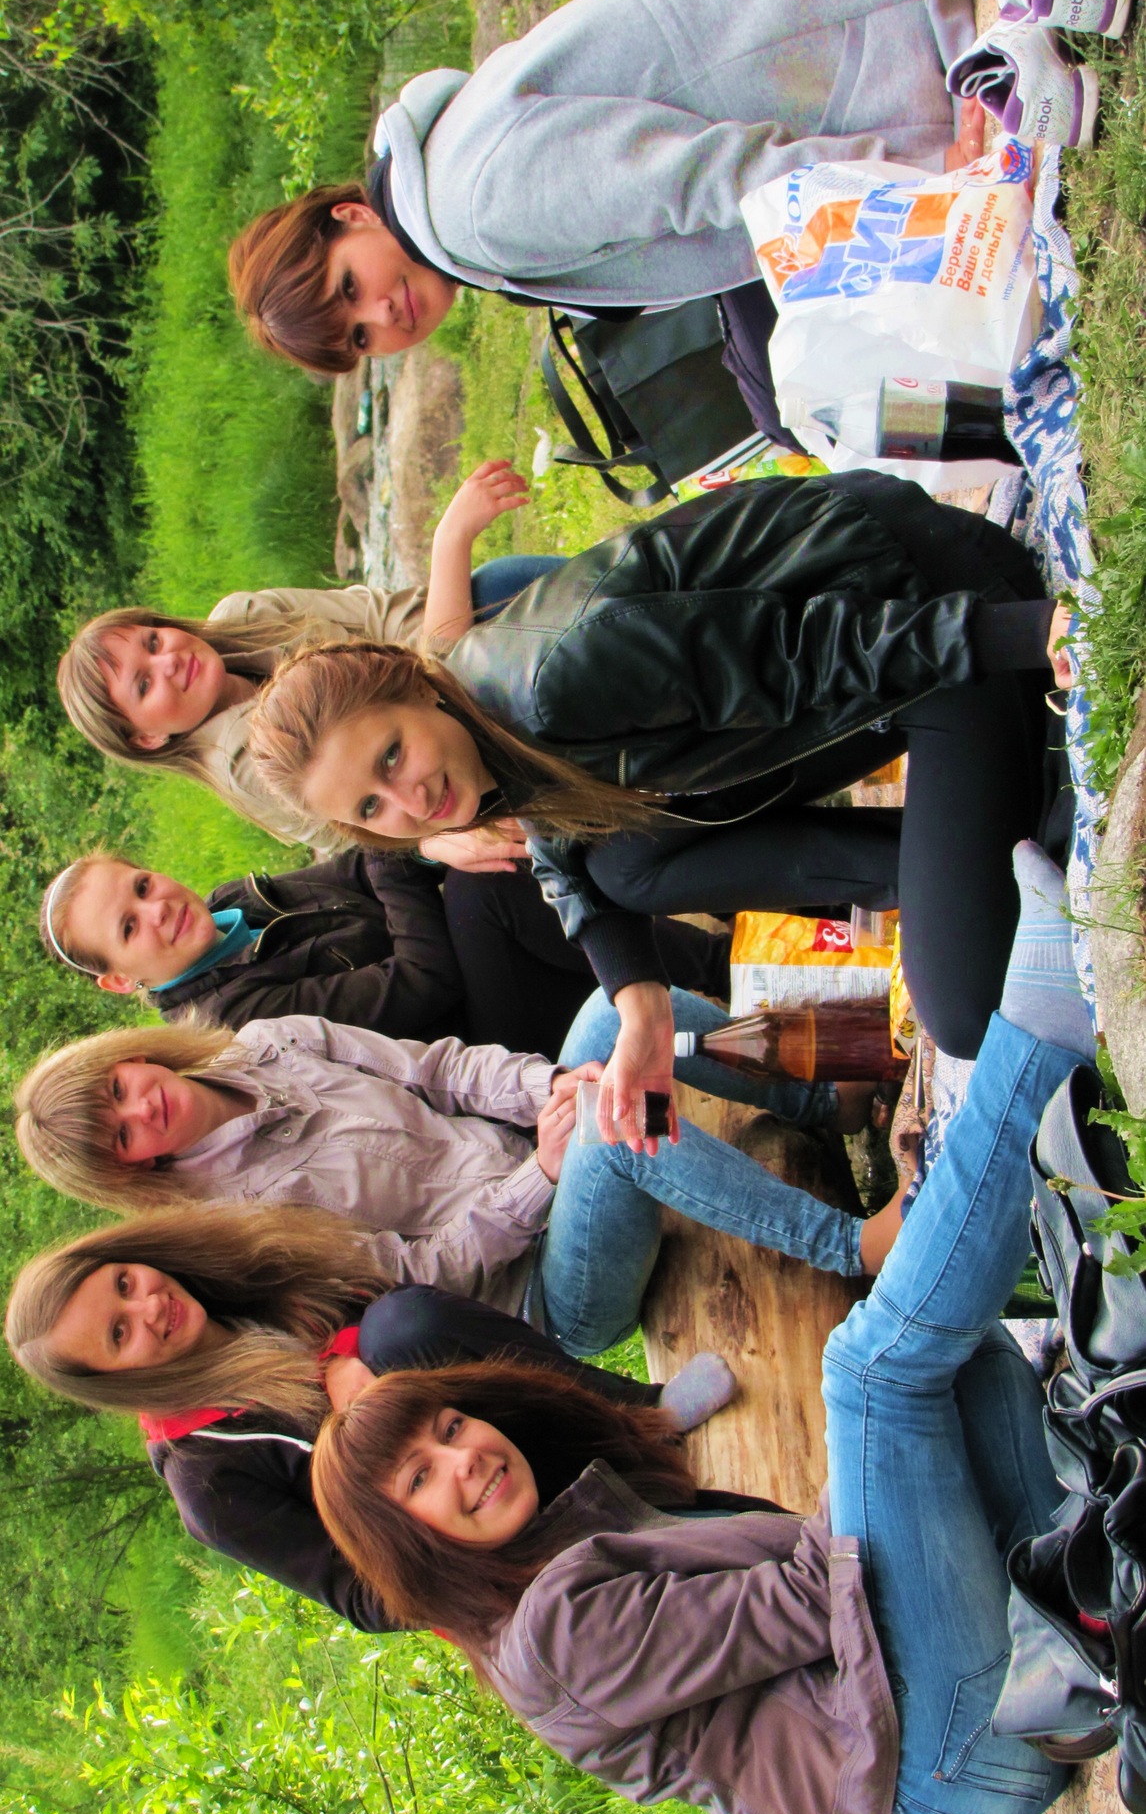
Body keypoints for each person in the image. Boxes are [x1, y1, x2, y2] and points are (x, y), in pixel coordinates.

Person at [307, 846, 1097, 1814]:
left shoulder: (561, 1536)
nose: (465, 1460)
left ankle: (1085, 1590)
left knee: (959, 1362)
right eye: (421, 1479)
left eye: (449, 1428)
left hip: (945, 1691)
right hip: (943, 1759)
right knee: (872, 1373)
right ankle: (1040, 1036)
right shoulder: (550, 1639)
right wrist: (880, 1464)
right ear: (410, 1543)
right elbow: (815, 1595)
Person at [247, 470, 1068, 1087]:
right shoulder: (479, 732)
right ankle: (931, 867)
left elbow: (804, 651)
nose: (411, 801)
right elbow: (560, 852)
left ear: (415, 686)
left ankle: (987, 837)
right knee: (622, 863)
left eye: (391, 755)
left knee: (961, 1013)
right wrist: (639, 1001)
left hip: (924, 610)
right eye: (372, 806)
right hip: (884, 655)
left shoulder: (550, 682)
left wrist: (1031, 633)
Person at [228, 0, 983, 390]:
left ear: (351, 217)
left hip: (885, 17)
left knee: (841, 389)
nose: (382, 317)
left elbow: (706, 176)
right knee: (785, 381)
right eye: (360, 339)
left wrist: (923, 187)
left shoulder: (474, 211)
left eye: (349, 288)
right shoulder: (440, 193)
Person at [15, 1001, 909, 1355]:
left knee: (609, 1018)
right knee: (605, 1136)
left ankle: (824, 1101)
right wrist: (541, 1177)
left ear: (130, 1057)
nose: (142, 1110)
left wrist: (546, 1087)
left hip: (543, 1160)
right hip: (546, 1292)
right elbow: (416, 1278)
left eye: (120, 1090)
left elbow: (439, 1070)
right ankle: (853, 1246)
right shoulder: (234, 1224)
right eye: (122, 1136)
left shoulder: (269, 1044)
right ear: (132, 1170)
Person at [4, 1204, 737, 1630]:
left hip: (507, 1426)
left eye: (124, 1283)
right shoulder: (208, 1480)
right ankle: (613, 1531)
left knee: (400, 1327)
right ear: (116, 1383)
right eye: (119, 1334)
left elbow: (395, 1298)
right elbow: (365, 1599)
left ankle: (642, 1416)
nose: (148, 1308)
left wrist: (349, 1357)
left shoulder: (241, 1277)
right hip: (489, 1538)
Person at [55, 459, 546, 862]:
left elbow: (380, 611)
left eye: (153, 641)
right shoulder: (247, 764)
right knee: (494, 611)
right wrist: (449, 543)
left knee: (488, 590)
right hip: (447, 779)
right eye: (144, 685)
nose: (168, 662)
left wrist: (439, 642)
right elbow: (382, 829)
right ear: (147, 738)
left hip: (435, 687)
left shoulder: (244, 615)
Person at [36, 841, 730, 1060]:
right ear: (120, 981)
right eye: (129, 928)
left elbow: (359, 861)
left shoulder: (232, 903)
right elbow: (422, 985)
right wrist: (407, 853)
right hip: (481, 1050)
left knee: (478, 855)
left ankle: (708, 881)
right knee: (477, 888)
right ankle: (725, 969)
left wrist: (415, 848)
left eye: (142, 885)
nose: (157, 909)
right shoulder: (230, 1022)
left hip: (478, 974)